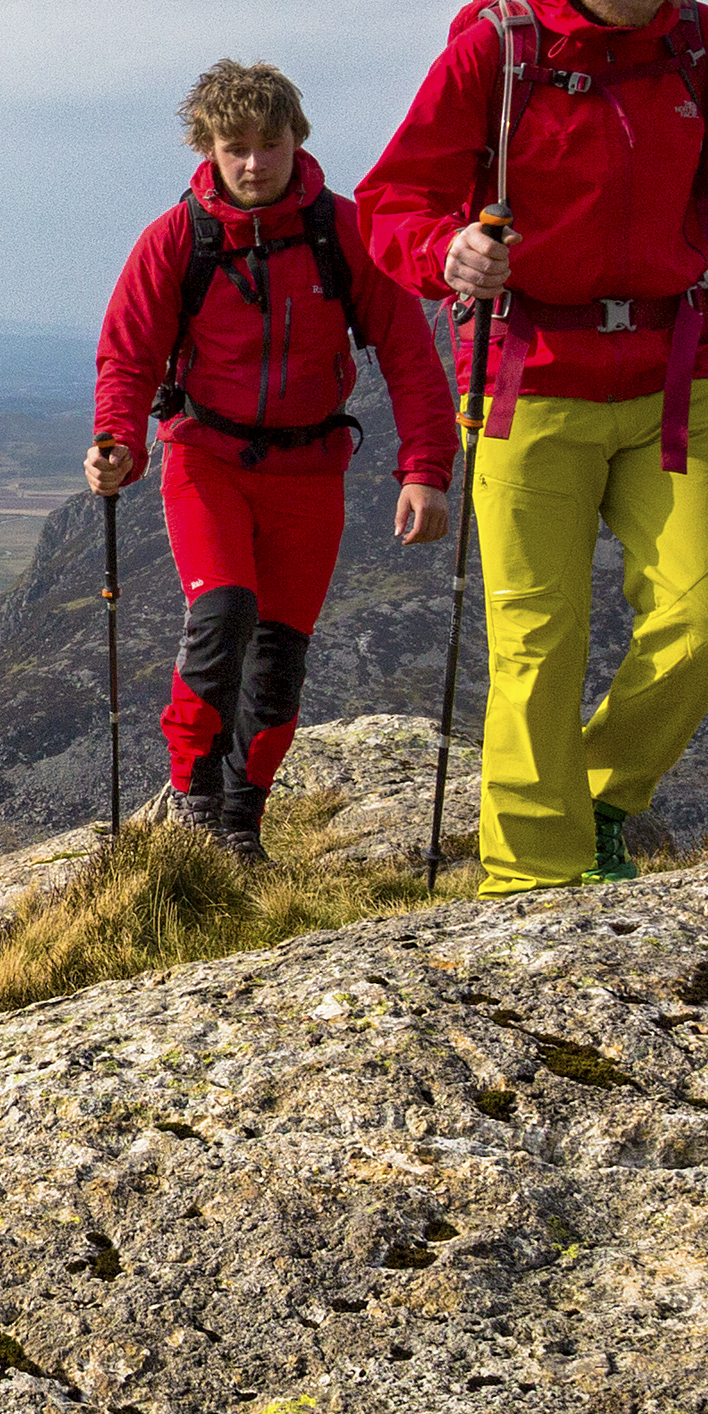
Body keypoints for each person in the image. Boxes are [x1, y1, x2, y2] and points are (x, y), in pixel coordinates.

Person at [351, 0, 708, 892]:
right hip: (527, 373)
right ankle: (531, 881)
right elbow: (390, 206)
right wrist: (445, 252)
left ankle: (597, 791)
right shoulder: (491, 54)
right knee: (535, 647)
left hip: (673, 373)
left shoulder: (702, 48)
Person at [85, 60, 452, 856]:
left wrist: (426, 468)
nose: (255, 162)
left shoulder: (344, 232)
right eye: (236, 146)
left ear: (298, 140)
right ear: (208, 149)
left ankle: (241, 824)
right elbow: (129, 356)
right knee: (222, 616)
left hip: (309, 471)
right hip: (204, 461)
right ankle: (194, 799)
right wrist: (119, 440)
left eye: (271, 143)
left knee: (281, 655)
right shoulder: (177, 239)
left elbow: (410, 353)